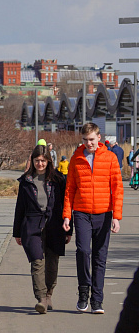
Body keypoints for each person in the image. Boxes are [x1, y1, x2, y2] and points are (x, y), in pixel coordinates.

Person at [63, 122, 124, 314]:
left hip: (104, 213)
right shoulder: (76, 159)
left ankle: (97, 300)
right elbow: (70, 189)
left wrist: (117, 216)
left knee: (100, 257)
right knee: (82, 251)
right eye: (85, 140)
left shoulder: (111, 158)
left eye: (91, 139)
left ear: (99, 137)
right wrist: (66, 216)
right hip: (81, 213)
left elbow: (117, 188)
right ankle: (83, 294)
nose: (89, 143)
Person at [13, 144, 71, 314]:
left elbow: (66, 205)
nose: (40, 164)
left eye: (43, 161)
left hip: (54, 225)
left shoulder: (58, 179)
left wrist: (69, 229)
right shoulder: (25, 181)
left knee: (52, 263)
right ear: (32, 161)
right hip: (32, 226)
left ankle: (49, 294)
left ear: (49, 161)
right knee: (37, 262)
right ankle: (41, 299)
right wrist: (17, 232)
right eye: (37, 160)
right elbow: (20, 208)